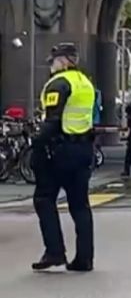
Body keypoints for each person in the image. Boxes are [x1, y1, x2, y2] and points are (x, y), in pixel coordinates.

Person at [31, 43, 96, 272]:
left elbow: (52, 121)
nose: (52, 64)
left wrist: (36, 146)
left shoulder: (59, 84)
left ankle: (55, 251)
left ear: (64, 60)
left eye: (54, 60)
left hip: (60, 150)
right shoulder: (84, 82)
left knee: (44, 199)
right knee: (80, 205)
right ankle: (85, 258)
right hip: (84, 148)